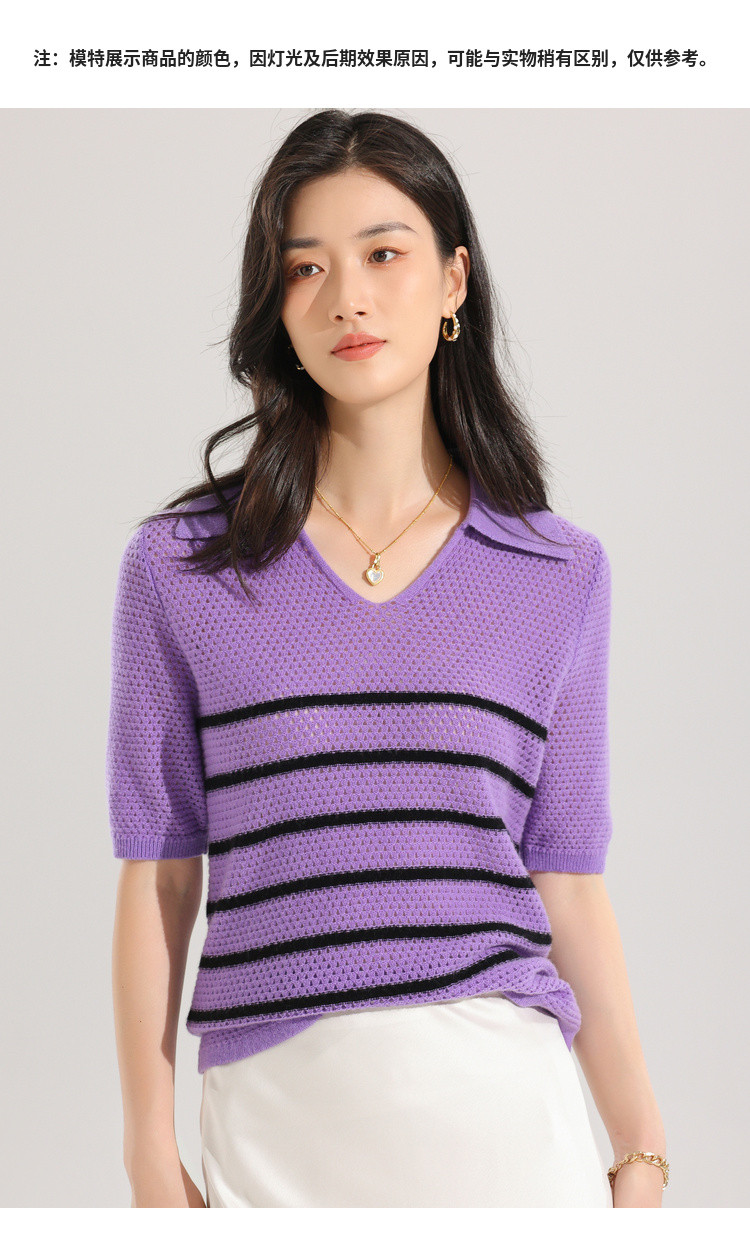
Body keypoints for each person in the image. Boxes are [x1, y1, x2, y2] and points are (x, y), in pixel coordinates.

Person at [107, 108, 668, 1208]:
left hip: (510, 1124)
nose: (346, 298)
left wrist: (642, 1145)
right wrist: (145, 1150)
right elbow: (160, 871)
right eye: (305, 267)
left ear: (454, 281)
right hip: (273, 1124)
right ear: (276, 307)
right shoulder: (180, 568)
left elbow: (567, 878)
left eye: (382, 254)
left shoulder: (558, 572)